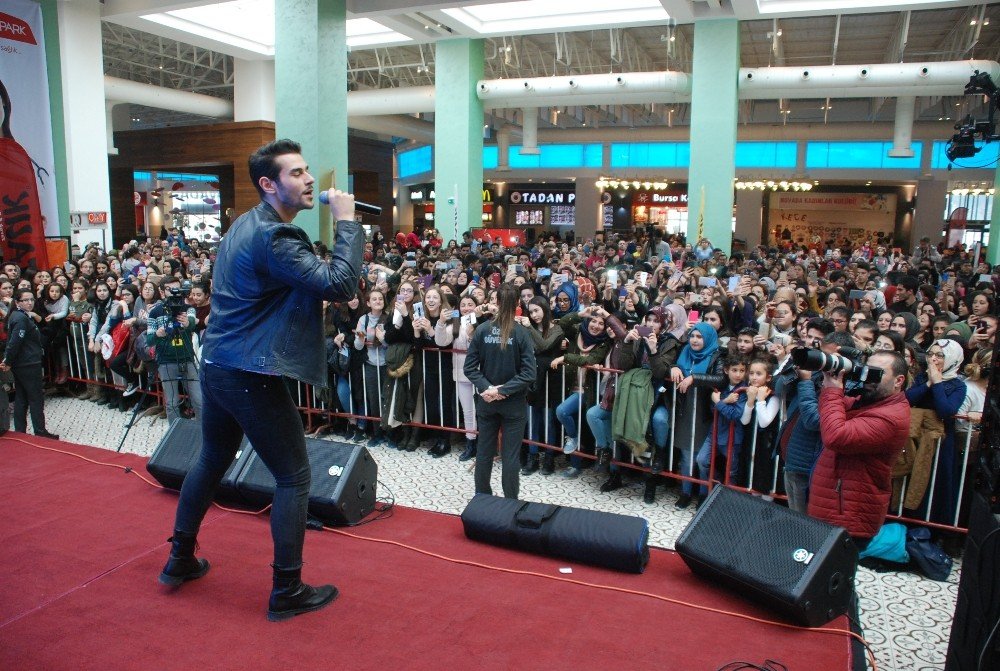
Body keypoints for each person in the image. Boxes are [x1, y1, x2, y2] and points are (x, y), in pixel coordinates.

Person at [159, 139, 363, 623]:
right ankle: (286, 589)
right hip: (247, 372)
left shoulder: (244, 225)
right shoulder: (276, 237)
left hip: (220, 364)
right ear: (269, 185)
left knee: (211, 459)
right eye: (297, 173)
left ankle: (180, 558)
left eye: (308, 169)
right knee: (293, 476)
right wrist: (348, 222)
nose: (310, 179)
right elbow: (340, 284)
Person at [808, 350, 910, 548]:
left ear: (898, 381)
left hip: (849, 514)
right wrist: (833, 378)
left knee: (833, 574)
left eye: (877, 373)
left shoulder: (890, 417)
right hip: (836, 506)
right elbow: (833, 409)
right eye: (866, 370)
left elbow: (835, 436)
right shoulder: (871, 402)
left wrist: (833, 391)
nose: (868, 378)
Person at [464, 283, 536, 499]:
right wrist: (502, 390)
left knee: (484, 452)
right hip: (512, 403)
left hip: (487, 401)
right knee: (510, 456)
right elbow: (529, 373)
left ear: (495, 302)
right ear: (517, 304)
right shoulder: (522, 333)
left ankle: (482, 497)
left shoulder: (482, 330)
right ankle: (510, 502)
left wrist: (488, 388)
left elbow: (469, 368)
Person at [1, 289, 58, 439]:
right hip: (28, 363)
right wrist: (8, 360)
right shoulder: (21, 318)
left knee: (22, 396)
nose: (30, 302)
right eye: (25, 300)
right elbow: (14, 342)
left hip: (23, 362)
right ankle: (40, 431)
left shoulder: (19, 315)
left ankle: (21, 431)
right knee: (35, 397)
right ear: (17, 302)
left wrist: (9, 360)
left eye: (31, 299)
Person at [147, 277, 203, 422]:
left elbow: (192, 322)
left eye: (177, 289)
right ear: (162, 291)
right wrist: (158, 334)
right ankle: (173, 432)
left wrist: (187, 323)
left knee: (198, 400)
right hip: (165, 361)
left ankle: (204, 432)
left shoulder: (188, 308)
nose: (174, 293)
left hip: (187, 359)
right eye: (170, 289)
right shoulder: (155, 312)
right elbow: (149, 340)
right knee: (171, 402)